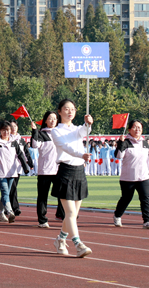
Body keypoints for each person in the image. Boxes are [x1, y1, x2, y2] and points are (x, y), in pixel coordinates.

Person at [51, 99, 93, 258]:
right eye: (66, 109)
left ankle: (60, 239)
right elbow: (66, 147)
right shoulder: (56, 131)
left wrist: (88, 124)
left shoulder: (76, 129)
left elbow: (84, 132)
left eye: (73, 109)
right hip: (66, 171)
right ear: (59, 111)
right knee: (69, 213)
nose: (70, 112)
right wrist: (80, 155)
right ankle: (78, 244)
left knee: (73, 214)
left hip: (79, 172)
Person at [113, 120, 149, 229]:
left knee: (145, 198)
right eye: (135, 127)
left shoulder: (145, 143)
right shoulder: (126, 142)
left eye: (139, 128)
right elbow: (119, 156)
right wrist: (121, 143)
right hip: (128, 178)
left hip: (143, 177)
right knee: (126, 198)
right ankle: (117, 215)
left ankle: (147, 221)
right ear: (129, 129)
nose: (137, 130)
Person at [0, 121, 30, 223]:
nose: (6, 132)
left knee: (6, 193)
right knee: (4, 191)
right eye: (4, 130)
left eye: (7, 130)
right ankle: (10, 211)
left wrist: (25, 167)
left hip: (12, 172)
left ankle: (0, 213)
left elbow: (20, 155)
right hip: (1, 172)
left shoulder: (14, 142)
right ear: (0, 131)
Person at [30, 111, 65, 228]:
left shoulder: (60, 134)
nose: (53, 121)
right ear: (45, 120)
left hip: (59, 169)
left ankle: (61, 214)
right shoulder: (41, 134)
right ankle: (42, 219)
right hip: (45, 170)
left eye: (55, 119)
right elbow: (35, 145)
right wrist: (34, 131)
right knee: (43, 196)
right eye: (50, 118)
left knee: (63, 194)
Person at [8, 120, 33, 216]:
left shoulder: (21, 140)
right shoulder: (7, 139)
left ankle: (3, 208)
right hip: (8, 167)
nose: (14, 128)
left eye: (15, 126)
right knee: (12, 188)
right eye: (12, 126)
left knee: (10, 189)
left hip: (18, 167)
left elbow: (26, 153)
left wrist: (30, 164)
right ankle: (15, 208)